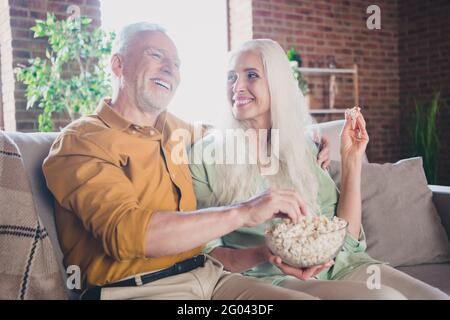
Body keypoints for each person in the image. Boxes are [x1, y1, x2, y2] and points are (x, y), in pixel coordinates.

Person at [42, 22, 337, 300]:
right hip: (139, 289)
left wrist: (302, 138)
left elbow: (236, 131)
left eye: (177, 64)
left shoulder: (177, 130)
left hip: (210, 276)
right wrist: (245, 212)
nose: (169, 68)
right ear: (118, 64)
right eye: (156, 55)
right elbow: (128, 235)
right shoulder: (81, 140)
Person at [189, 39, 449, 300]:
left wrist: (351, 160)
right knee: (386, 299)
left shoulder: (303, 146)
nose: (237, 87)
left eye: (251, 75)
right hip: (270, 277)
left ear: (277, 85)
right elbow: (205, 252)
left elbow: (345, 238)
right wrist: (265, 252)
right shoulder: (205, 155)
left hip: (342, 266)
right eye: (231, 77)